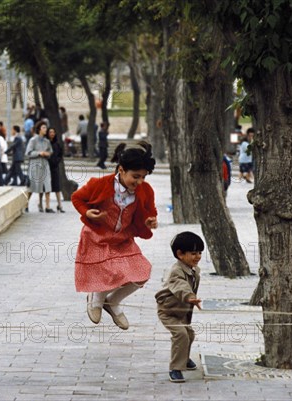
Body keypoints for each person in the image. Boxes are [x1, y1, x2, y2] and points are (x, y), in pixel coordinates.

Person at [72, 141, 158, 330]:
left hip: (123, 238)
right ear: (121, 170)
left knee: (141, 272)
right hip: (97, 236)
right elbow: (77, 198)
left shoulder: (145, 190)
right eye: (135, 177)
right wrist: (86, 213)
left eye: (143, 177)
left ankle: (112, 302)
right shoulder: (100, 184)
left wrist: (151, 221)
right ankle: (96, 299)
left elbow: (150, 211)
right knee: (110, 273)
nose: (140, 182)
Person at [155, 232, 204, 383]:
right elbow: (180, 286)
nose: (198, 257)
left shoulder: (195, 270)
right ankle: (175, 368)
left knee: (189, 335)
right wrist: (190, 297)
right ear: (180, 254)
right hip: (168, 311)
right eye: (193, 253)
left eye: (200, 253)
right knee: (181, 335)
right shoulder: (176, 271)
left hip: (181, 311)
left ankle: (184, 358)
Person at [25, 121, 54, 213]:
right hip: (35, 165)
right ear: (39, 129)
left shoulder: (47, 141)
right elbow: (28, 153)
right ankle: (26, 204)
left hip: (45, 164)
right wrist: (39, 153)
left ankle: (47, 206)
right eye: (43, 128)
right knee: (33, 186)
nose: (45, 129)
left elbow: (50, 152)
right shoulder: (33, 140)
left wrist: (47, 154)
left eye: (46, 127)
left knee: (47, 184)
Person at [47, 126, 64, 212]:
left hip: (55, 167)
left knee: (57, 187)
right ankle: (46, 205)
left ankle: (60, 205)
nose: (52, 134)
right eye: (50, 132)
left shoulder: (57, 144)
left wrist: (57, 161)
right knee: (47, 187)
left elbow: (60, 154)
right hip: (47, 167)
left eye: (53, 132)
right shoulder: (46, 143)